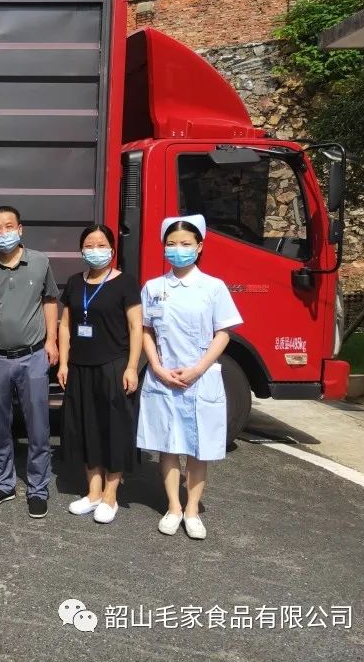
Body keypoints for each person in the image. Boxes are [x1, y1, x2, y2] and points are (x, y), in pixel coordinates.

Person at [137, 215, 243, 540]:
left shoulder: (213, 287)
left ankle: (193, 510)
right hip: (164, 376)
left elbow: (223, 333)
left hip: (201, 376)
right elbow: (146, 330)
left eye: (185, 244)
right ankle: (173, 506)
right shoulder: (154, 288)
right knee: (168, 445)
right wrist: (157, 367)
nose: (178, 249)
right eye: (171, 244)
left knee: (199, 446)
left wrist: (198, 368)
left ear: (199, 247)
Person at [0, 206, 60, 519]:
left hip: (33, 356)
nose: (3, 233)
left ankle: (38, 489)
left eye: (9, 226)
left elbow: (49, 300)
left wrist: (51, 340)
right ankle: (4, 483)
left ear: (20, 229)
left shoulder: (40, 262)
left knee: (38, 426)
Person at [57, 224, 142, 525]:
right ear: (81, 250)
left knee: (113, 429)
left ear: (112, 249)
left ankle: (110, 495)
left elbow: (136, 327)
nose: (96, 250)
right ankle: (93, 492)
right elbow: (65, 325)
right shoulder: (74, 282)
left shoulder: (125, 283)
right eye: (89, 246)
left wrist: (132, 366)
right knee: (85, 428)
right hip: (80, 367)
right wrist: (64, 363)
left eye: (101, 245)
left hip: (113, 366)